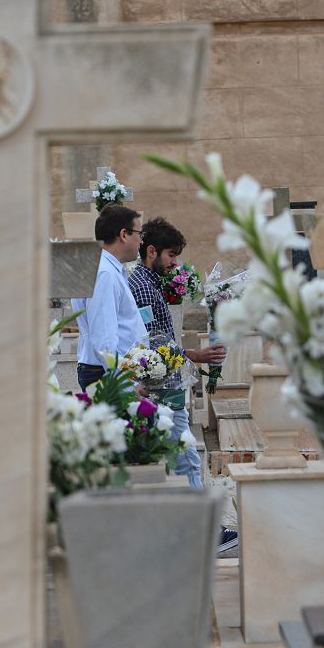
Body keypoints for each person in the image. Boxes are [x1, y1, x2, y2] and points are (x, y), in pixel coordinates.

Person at [129, 217, 238, 553]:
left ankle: (201, 529)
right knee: (185, 458)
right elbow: (152, 341)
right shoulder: (144, 287)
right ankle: (203, 534)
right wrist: (195, 354)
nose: (175, 264)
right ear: (151, 251)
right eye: (171, 256)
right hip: (162, 385)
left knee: (184, 456)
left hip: (168, 382)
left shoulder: (150, 282)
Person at [71, 205, 148, 392]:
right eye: (140, 234)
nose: (141, 241)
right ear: (124, 234)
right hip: (107, 375)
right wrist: (127, 384)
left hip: (112, 371)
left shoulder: (108, 269)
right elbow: (104, 339)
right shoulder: (104, 273)